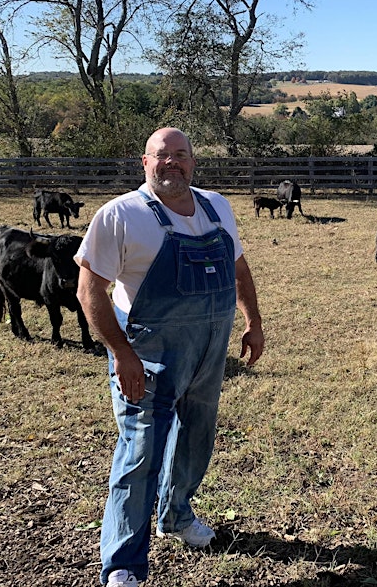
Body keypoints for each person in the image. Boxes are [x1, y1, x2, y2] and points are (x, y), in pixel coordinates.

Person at [75, 127, 265, 587]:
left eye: (181, 156)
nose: (172, 164)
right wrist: (121, 353)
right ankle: (123, 564)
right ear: (145, 162)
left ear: (193, 162)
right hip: (149, 359)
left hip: (208, 356)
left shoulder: (216, 205)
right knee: (140, 456)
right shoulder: (120, 215)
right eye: (163, 156)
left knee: (195, 442)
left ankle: (176, 515)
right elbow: (88, 289)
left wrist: (254, 321)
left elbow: (237, 266)